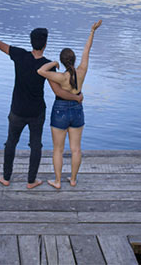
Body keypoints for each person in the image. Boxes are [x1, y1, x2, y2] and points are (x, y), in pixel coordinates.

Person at [0, 22, 83, 189]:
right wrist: (76, 97)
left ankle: (6, 177)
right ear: (45, 44)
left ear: (31, 42)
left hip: (17, 110)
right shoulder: (47, 65)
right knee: (35, 145)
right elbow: (58, 92)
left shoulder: (19, 55)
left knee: (11, 142)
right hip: (36, 112)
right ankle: (31, 181)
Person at [37, 20, 101, 189]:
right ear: (73, 59)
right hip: (77, 110)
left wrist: (53, 64)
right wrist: (92, 31)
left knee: (58, 149)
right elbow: (87, 50)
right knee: (76, 149)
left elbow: (41, 71)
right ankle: (73, 180)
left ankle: (57, 181)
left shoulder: (60, 77)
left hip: (60, 110)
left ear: (63, 61)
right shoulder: (82, 71)